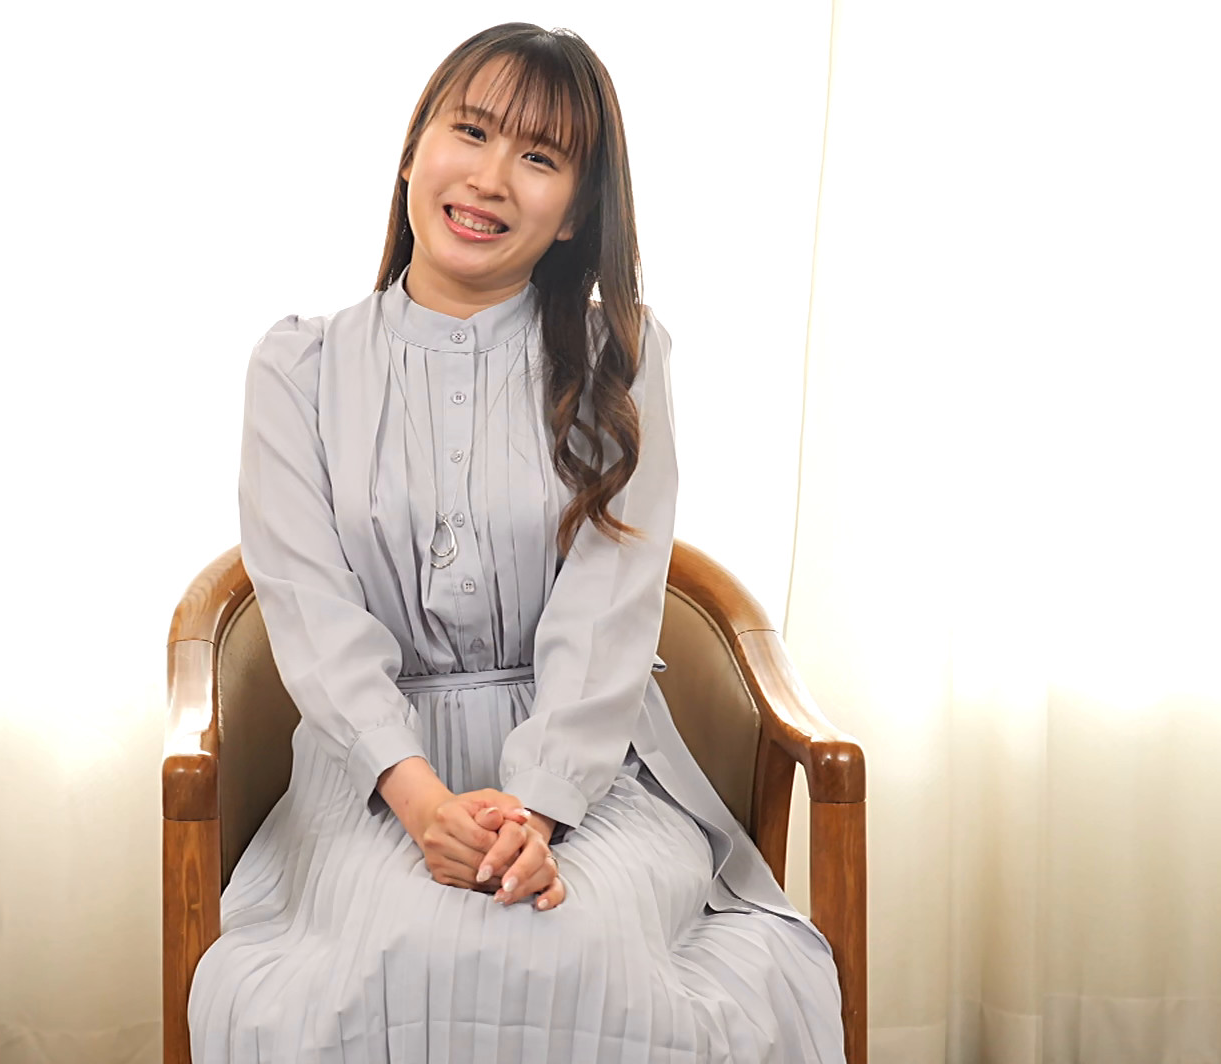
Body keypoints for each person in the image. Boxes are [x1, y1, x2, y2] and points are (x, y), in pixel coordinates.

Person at [190, 22, 845, 1063]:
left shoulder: (619, 358)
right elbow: (309, 613)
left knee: (575, 945)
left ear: (576, 210)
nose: (491, 178)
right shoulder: (297, 368)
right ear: (414, 149)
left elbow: (609, 608)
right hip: (370, 777)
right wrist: (417, 796)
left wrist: (537, 808)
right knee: (398, 949)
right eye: (471, 131)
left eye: (539, 157)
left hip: (593, 771)